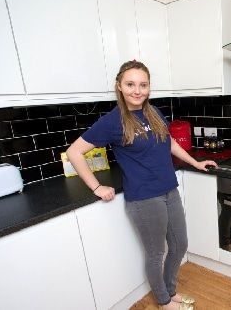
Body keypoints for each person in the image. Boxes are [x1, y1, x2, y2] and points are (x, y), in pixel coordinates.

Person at [66, 60, 217, 310]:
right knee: (156, 253)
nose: (137, 91)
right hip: (144, 198)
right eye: (130, 84)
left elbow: (169, 143)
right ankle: (163, 301)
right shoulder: (112, 122)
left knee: (180, 244)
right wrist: (96, 187)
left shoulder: (154, 112)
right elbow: (74, 152)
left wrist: (195, 163)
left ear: (149, 87)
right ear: (119, 86)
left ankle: (170, 290)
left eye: (143, 85)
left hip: (169, 189)